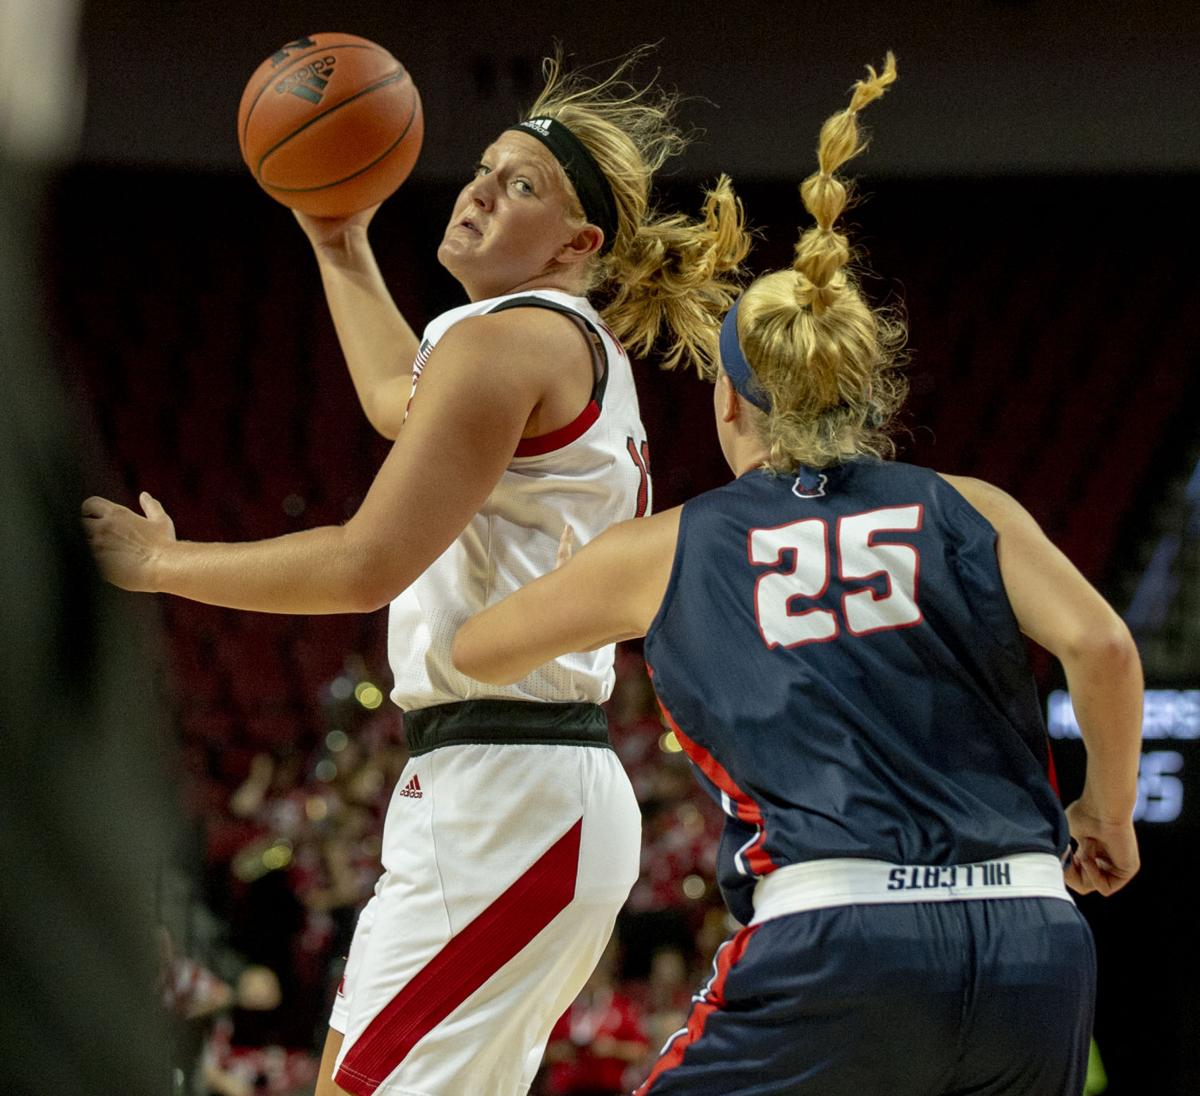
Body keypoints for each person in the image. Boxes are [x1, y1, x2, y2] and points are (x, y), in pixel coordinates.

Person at [451, 53, 1144, 1095]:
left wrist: (554, 532)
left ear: (729, 405)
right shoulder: (974, 504)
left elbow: (479, 649)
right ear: (868, 393)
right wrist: (1108, 811)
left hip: (837, 938)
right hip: (1035, 942)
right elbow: (1102, 646)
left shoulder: (668, 546)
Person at [83, 45, 750, 1096]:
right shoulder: (524, 342)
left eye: (520, 183)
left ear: (576, 242)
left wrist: (161, 562)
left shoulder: (513, 343)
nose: (482, 187)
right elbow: (405, 395)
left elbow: (367, 561)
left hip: (513, 794)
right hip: (506, 790)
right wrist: (342, 242)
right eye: (486, 165)